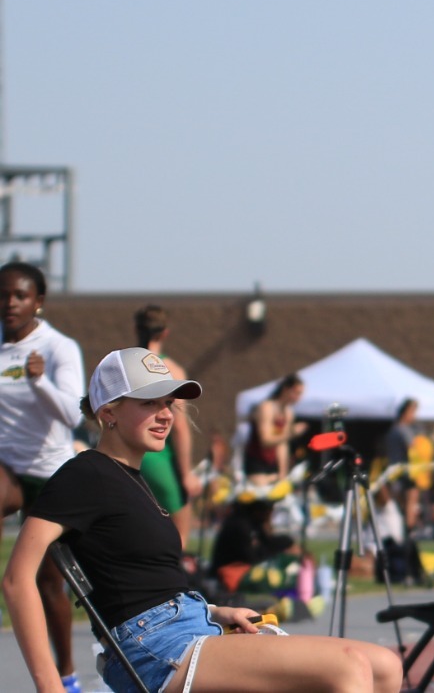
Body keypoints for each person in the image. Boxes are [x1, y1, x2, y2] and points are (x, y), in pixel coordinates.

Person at [3, 346, 401, 693]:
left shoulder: (133, 479)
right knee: (348, 668)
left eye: (168, 403)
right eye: (149, 403)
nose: (165, 415)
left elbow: (146, 583)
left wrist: (215, 611)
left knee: (385, 666)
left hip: (190, 623)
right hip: (154, 648)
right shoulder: (84, 474)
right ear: (109, 412)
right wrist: (51, 686)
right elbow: (17, 580)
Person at [0, 261, 87, 693]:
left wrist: (40, 383)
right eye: (3, 295)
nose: (10, 303)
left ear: (38, 301)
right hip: (8, 468)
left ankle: (66, 674)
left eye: (20, 295)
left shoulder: (57, 348)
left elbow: (74, 414)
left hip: (50, 472)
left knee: (51, 582)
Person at [133, 304, 204, 548]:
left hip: (127, 456)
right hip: (159, 459)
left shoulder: (126, 366)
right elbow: (180, 427)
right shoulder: (171, 369)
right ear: (165, 333)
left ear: (137, 329)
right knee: (178, 535)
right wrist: (186, 474)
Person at [245, 373, 307, 484]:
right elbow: (265, 440)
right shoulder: (267, 407)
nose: (299, 398)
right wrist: (291, 433)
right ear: (286, 390)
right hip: (257, 462)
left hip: (272, 464)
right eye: (297, 393)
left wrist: (283, 473)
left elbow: (282, 443)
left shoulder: (288, 413)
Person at [382, 397, 422, 537]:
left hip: (394, 470)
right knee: (410, 501)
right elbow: (412, 449)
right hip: (406, 471)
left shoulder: (393, 429)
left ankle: (401, 530)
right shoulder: (403, 430)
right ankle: (409, 532)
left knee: (399, 503)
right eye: (413, 412)